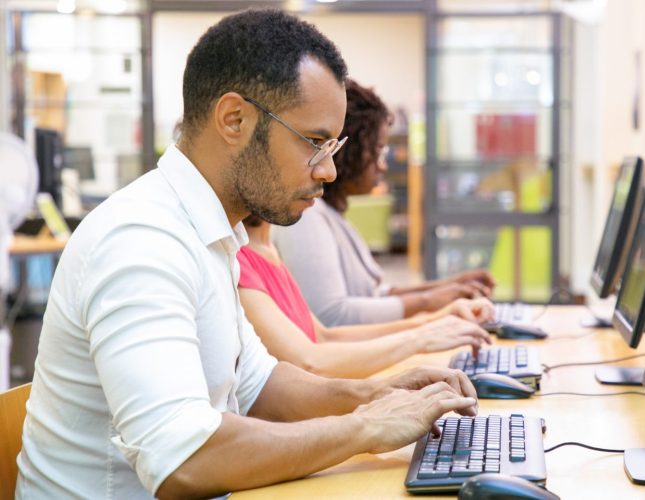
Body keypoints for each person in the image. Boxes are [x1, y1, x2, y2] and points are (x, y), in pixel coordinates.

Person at [16, 10, 478, 499]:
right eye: (315, 143)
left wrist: (380, 395)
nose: (329, 172)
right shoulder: (141, 240)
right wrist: (365, 426)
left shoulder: (209, 232)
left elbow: (261, 387)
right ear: (234, 119)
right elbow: (183, 460)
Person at [272, 79, 497, 327]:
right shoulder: (306, 217)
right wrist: (428, 302)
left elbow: (375, 294)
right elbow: (332, 315)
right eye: (377, 151)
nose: (383, 165)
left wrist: (451, 287)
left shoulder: (332, 215)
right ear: (349, 150)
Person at [238, 214, 494, 377]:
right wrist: (420, 338)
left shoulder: (268, 249)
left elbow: (325, 336)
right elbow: (309, 361)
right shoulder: (238, 258)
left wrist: (436, 320)